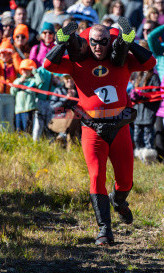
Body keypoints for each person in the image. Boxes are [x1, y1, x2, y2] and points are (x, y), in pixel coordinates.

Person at [44, 17, 156, 245]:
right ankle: (104, 229)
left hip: (119, 126)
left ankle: (119, 201)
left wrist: (128, 41)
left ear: (110, 41)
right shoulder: (78, 62)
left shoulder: (121, 60)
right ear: (88, 41)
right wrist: (63, 43)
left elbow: (149, 63)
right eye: (94, 42)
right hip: (92, 129)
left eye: (104, 42)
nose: (98, 46)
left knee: (125, 181)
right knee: (96, 177)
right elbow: (48, 65)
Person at [129, 62, 161, 163]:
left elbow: (156, 93)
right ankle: (139, 156)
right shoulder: (139, 76)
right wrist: (133, 96)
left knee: (148, 134)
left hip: (148, 110)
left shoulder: (154, 77)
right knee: (137, 135)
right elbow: (134, 90)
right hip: (139, 111)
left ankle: (149, 158)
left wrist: (142, 95)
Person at [0, 39, 17, 132]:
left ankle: (9, 139)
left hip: (9, 95)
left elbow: (19, 68)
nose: (5, 56)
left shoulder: (12, 65)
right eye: (3, 53)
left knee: (9, 120)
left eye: (8, 53)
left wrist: (14, 55)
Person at [11, 59, 41, 132]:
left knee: (28, 129)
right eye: (23, 70)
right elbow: (12, 92)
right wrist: (18, 83)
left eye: (27, 70)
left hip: (29, 109)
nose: (25, 72)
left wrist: (35, 72)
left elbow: (40, 81)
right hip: (18, 110)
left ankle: (27, 142)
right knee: (19, 130)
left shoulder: (33, 80)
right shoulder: (17, 81)